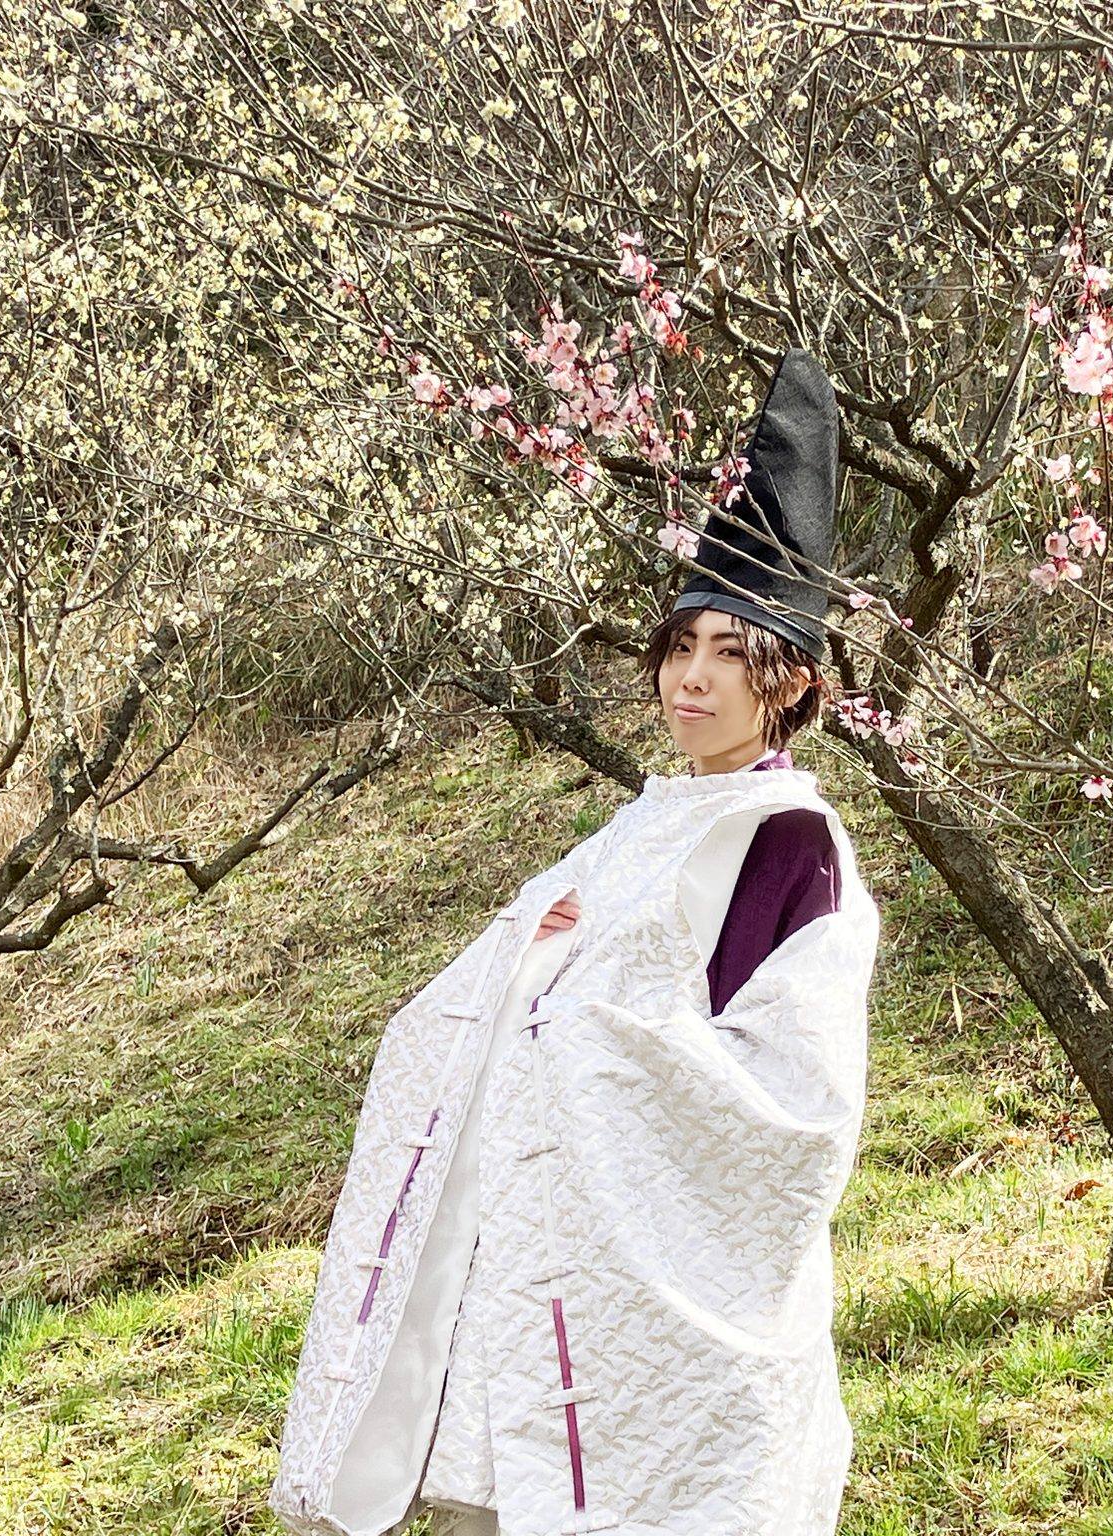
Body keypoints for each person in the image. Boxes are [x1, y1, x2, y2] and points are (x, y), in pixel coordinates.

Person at [270, 347, 880, 1536]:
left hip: (664, 1312)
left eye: (731, 654)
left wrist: (578, 1017)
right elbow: (499, 995)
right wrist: (525, 974)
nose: (692, 680)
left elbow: (796, 1101)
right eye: (681, 647)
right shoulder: (641, 824)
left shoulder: (785, 842)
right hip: (540, 1284)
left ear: (793, 684)